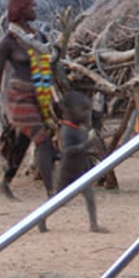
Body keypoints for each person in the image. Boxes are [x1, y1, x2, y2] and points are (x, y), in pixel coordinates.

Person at [0, 0, 58, 228]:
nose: (36, 9)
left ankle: (5, 182)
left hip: (41, 95)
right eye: (32, 5)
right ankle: (52, 196)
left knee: (24, 142)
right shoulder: (8, 41)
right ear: (21, 8)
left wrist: (54, 101)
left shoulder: (41, 37)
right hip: (19, 98)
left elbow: (47, 72)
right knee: (43, 140)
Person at [51, 89, 108, 233]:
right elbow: (67, 151)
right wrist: (86, 146)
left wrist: (92, 151)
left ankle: (93, 224)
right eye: (82, 111)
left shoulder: (79, 129)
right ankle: (40, 219)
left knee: (90, 196)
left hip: (80, 171)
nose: (85, 114)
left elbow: (81, 150)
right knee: (57, 201)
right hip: (67, 171)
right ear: (70, 112)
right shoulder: (67, 130)